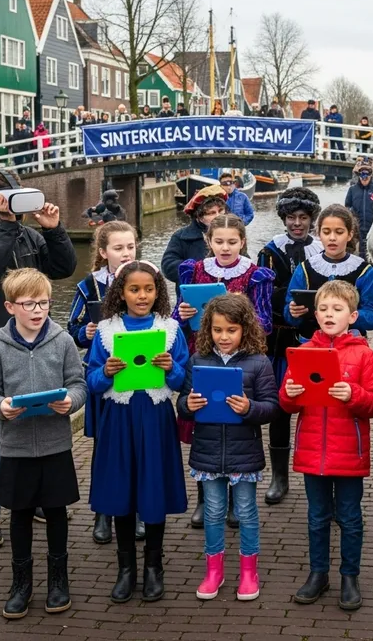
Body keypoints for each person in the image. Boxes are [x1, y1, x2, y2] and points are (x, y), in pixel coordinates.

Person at [0, 169, 77, 549]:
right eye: (9, 198)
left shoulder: (29, 235)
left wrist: (54, 230)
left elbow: (63, 269)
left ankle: (36, 497)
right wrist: (6, 225)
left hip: (37, 342)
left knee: (38, 418)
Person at [0, 269, 87, 619]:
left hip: (56, 445)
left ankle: (58, 580)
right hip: (16, 448)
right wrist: (2, 408)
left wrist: (70, 401)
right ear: (11, 307)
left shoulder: (63, 341)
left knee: (56, 513)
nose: (38, 310)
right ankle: (21, 583)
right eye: (29, 304)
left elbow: (78, 384)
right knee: (20, 515)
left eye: (43, 302)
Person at [86, 260, 188, 603]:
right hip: (119, 420)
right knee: (122, 490)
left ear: (158, 291)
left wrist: (171, 367)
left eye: (149, 289)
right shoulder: (106, 330)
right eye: (134, 289)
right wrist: (108, 371)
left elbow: (180, 381)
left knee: (153, 488)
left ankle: (153, 567)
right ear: (121, 292)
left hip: (156, 418)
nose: (142, 295)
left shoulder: (170, 330)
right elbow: (93, 382)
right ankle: (126, 569)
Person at [279, 280, 373, 610]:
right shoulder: (303, 351)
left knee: (350, 518)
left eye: (336, 309)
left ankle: (349, 577)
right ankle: (318, 574)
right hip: (312, 452)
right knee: (317, 517)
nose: (328, 314)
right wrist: (290, 395)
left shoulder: (364, 354)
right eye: (323, 309)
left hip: (349, 452)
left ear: (352, 316)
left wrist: (354, 396)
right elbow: (286, 402)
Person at [174, 214, 275, 528]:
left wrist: (241, 314)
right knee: (205, 424)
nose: (226, 247)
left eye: (232, 241)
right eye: (219, 241)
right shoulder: (195, 271)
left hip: (242, 359)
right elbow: (178, 318)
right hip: (203, 354)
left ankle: (234, 499)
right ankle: (206, 499)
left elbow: (267, 323)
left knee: (236, 425)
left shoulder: (255, 275)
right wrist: (183, 312)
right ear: (209, 242)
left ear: (242, 242)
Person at [177, 294, 280, 601]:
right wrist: (189, 404)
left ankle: (249, 572)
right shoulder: (198, 361)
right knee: (212, 512)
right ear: (208, 329)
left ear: (244, 330)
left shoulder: (259, 363)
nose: (223, 337)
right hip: (207, 452)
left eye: (231, 330)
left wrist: (250, 408)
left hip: (243, 453)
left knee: (247, 512)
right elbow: (182, 405)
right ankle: (214, 571)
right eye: (217, 330)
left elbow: (272, 407)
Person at [67, 221, 137, 545]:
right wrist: (86, 333)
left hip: (138, 375)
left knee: (137, 446)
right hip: (103, 376)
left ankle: (134, 510)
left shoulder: (144, 280)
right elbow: (71, 328)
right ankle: (102, 513)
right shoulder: (89, 286)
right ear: (103, 252)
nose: (125, 253)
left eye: (130, 247)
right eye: (118, 248)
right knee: (105, 449)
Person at [257, 187, 323, 505]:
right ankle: (279, 478)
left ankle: (323, 478)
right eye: (292, 218)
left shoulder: (324, 251)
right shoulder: (270, 251)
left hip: (317, 339)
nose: (298, 224)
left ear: (312, 219)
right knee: (281, 410)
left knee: (321, 409)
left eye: (304, 218)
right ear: (284, 219)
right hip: (281, 341)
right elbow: (262, 295)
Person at [284, 204, 373, 340]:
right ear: (319, 234)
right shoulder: (305, 268)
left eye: (339, 232)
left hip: (351, 346)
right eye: (326, 232)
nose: (332, 238)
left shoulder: (364, 271)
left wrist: (346, 315)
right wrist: (292, 311)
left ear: (350, 234)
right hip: (311, 344)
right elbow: (289, 311)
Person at [161, 185, 228, 283]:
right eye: (211, 213)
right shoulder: (180, 237)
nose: (218, 216)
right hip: (194, 293)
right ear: (199, 216)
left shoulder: (232, 234)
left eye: (220, 211)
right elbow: (168, 266)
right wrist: (198, 269)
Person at [344, 163, 373, 258]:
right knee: (360, 254)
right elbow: (347, 206)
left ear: (370, 175)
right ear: (359, 176)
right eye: (362, 175)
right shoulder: (352, 190)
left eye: (366, 175)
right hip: (358, 228)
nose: (364, 178)